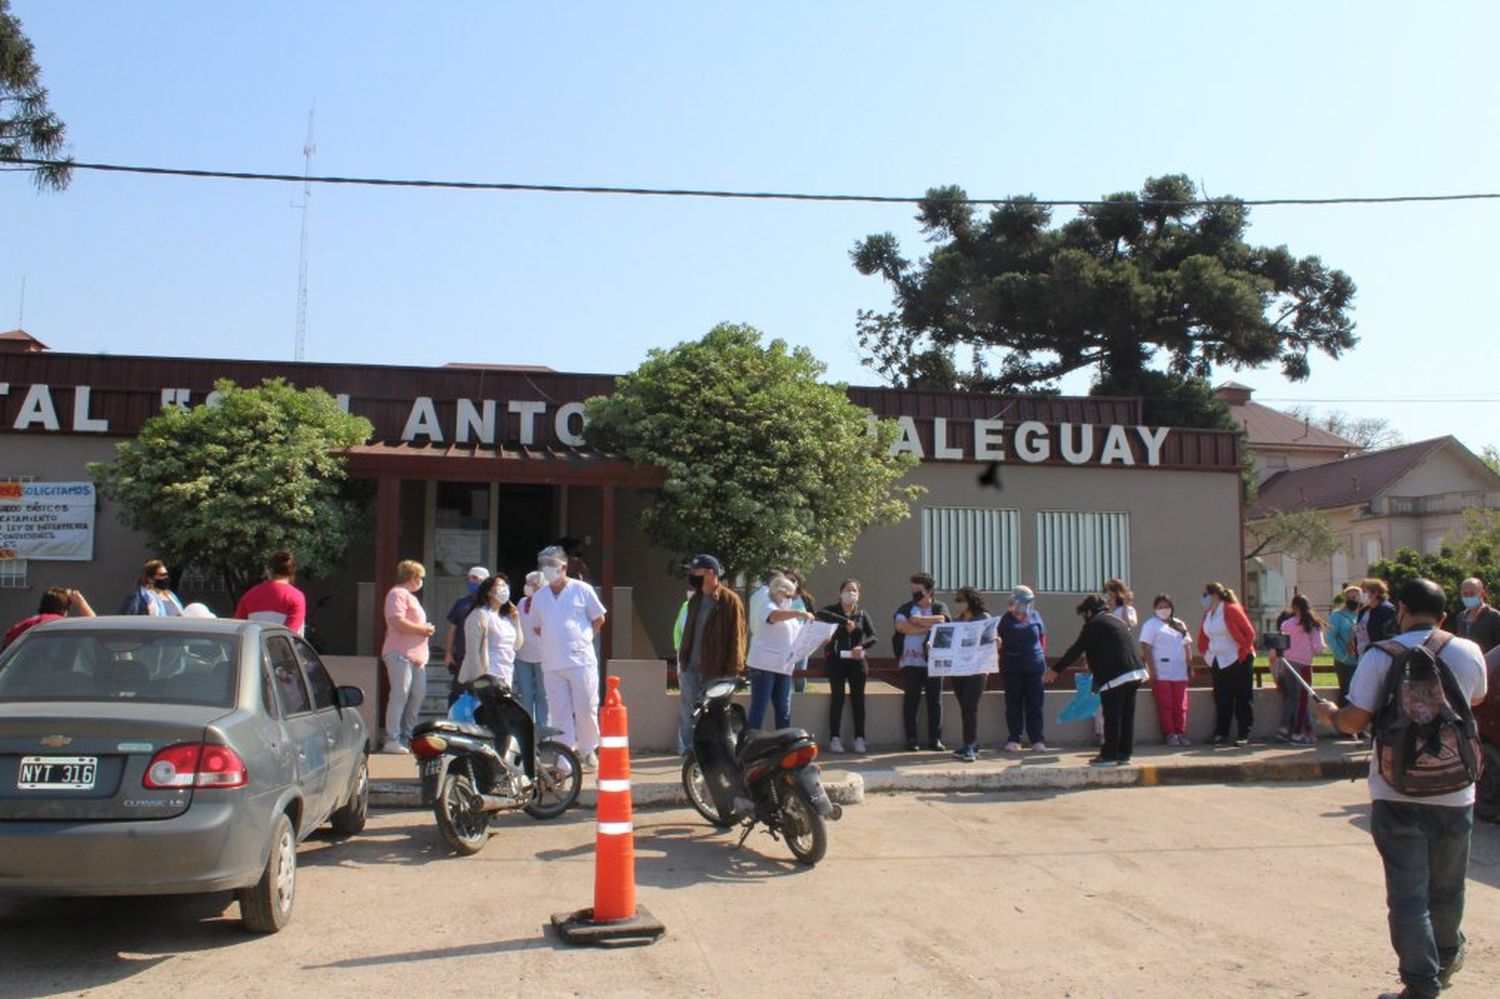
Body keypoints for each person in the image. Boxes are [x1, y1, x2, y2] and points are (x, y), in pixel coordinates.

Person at [1314, 578, 1487, 999]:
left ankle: (1421, 986)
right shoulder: (1467, 651)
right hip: (1456, 789)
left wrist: (1332, 716)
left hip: (1397, 789)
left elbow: (1356, 721)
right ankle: (1446, 958)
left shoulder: (1380, 656)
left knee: (1408, 896)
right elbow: (1477, 699)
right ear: (1444, 615)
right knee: (1448, 887)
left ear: (1402, 611)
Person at [1046, 594, 1148, 766]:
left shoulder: (1094, 625)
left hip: (1116, 674)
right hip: (1136, 672)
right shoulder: (1117, 621)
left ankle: (1109, 755)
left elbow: (1076, 650)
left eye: (1084, 614)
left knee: (1112, 715)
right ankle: (1124, 754)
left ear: (1088, 612)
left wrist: (1056, 669)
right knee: (1127, 715)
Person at [530, 545, 607, 770]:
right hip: (552, 662)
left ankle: (588, 749)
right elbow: (536, 627)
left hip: (580, 661)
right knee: (559, 711)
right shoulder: (540, 596)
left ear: (563, 567)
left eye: (551, 565)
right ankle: (565, 755)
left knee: (585, 708)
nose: (547, 570)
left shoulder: (582, 590)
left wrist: (582, 637)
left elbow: (599, 618)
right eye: (544, 566)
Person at [675, 553, 747, 755]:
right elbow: (687, 633)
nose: (691, 574)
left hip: (716, 671)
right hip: (691, 669)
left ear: (711, 573)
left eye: (695, 571)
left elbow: (737, 638)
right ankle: (692, 757)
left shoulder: (729, 601)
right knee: (689, 715)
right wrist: (682, 662)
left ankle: (716, 757)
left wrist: (733, 673)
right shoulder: (695, 600)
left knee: (715, 717)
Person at [380, 560, 435, 754]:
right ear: (412, 577)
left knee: (417, 694)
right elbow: (397, 621)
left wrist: (423, 629)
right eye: (420, 577)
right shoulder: (397, 594)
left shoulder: (410, 596)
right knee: (399, 695)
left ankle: (407, 736)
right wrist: (423, 629)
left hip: (416, 656)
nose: (421, 581)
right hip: (399, 654)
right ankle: (392, 739)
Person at [893, 572, 950, 751]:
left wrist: (918, 621)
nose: (915, 593)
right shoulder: (905, 607)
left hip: (934, 660)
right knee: (911, 700)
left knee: (935, 700)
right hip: (910, 661)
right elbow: (901, 626)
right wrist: (927, 627)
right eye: (913, 589)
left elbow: (943, 621)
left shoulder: (940, 606)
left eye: (919, 590)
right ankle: (912, 739)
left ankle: (935, 739)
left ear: (929, 590)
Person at [747, 574, 813, 730]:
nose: (789, 599)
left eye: (792, 596)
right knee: (759, 708)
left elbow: (799, 636)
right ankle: (750, 745)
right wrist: (800, 613)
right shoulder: (766, 602)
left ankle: (784, 746)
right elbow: (773, 617)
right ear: (778, 591)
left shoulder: (787, 612)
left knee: (784, 709)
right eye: (787, 595)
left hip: (784, 666)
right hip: (764, 666)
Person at [818, 579, 876, 754]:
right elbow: (820, 613)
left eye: (854, 591)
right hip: (836, 661)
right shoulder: (832, 611)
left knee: (858, 700)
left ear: (859, 595)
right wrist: (844, 621)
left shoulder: (862, 614)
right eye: (848, 590)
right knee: (838, 698)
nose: (851, 594)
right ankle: (834, 738)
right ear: (840, 592)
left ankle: (860, 738)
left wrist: (862, 647)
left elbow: (873, 636)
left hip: (857, 662)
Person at [1197, 581, 1257, 746]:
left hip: (1237, 658)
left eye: (1206, 595)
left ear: (1215, 595)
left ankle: (1244, 733)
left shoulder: (1231, 609)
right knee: (1221, 698)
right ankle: (1221, 733)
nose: (1204, 599)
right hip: (1218, 659)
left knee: (1242, 697)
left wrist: (1243, 652)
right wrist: (1205, 652)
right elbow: (1204, 635)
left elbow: (1250, 632)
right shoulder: (1208, 613)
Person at [997, 584, 1048, 752]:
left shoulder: (1036, 616)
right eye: (1023, 602)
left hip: (1034, 667)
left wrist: (1040, 658)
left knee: (1035, 704)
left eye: (1029, 602)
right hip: (1012, 668)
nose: (1025, 606)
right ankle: (1014, 738)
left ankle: (1037, 739)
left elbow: (1042, 639)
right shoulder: (1004, 620)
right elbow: (998, 642)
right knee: (1013, 704)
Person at [1139, 594, 1194, 745]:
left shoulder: (1178, 623)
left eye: (1166, 607)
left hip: (1179, 671)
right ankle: (1170, 733)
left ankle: (1180, 732)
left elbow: (1187, 644)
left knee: (1180, 704)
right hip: (1161, 672)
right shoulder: (1151, 625)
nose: (1163, 610)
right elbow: (1146, 648)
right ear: (1155, 609)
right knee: (1166, 704)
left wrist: (1190, 665)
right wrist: (1151, 669)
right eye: (1160, 607)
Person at [949, 586, 995, 763]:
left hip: (977, 670)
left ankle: (969, 745)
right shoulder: (955, 622)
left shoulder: (984, 618)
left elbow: (991, 639)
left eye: (960, 600)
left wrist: (996, 641)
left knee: (970, 706)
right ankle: (972, 742)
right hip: (958, 670)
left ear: (970, 602)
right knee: (965, 707)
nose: (957, 604)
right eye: (956, 600)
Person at [1277, 594, 1326, 745]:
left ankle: (1284, 728)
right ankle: (1298, 733)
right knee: (1303, 699)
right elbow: (1318, 648)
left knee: (1291, 697)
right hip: (1304, 664)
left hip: (1288, 664)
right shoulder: (1312, 625)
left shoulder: (1286, 625)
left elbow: (1282, 645)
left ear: (1294, 607)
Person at [460, 573, 521, 687]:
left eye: (505, 586)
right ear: (489, 591)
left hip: (506, 672)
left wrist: (517, 621)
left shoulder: (506, 618)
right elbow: (472, 650)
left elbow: (517, 645)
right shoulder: (480, 614)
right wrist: (478, 679)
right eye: (500, 586)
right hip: (488, 672)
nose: (504, 589)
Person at [442, 566, 488, 705]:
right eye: (468, 578)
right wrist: (449, 653)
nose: (470, 581)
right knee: (457, 694)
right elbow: (452, 629)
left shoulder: (491, 604)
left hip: (485, 659)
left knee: (482, 696)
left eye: (475, 578)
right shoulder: (461, 603)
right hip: (462, 657)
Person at [234, 551, 307, 636]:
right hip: (281, 648)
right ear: (292, 571)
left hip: (252, 647)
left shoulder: (249, 595)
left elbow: (238, 628)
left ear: (269, 571)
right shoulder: (297, 597)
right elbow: (290, 633)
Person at [3, 586, 95, 650]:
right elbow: (97, 629)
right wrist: (81, 604)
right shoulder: (62, 625)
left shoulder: (24, 625)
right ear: (65, 610)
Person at [513, 570, 549, 730]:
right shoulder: (521, 602)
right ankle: (527, 729)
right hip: (523, 654)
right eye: (527, 583)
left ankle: (542, 729)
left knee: (543, 694)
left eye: (532, 584)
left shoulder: (547, 602)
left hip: (543, 655)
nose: (527, 587)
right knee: (525, 694)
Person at [1328, 585, 1362, 715]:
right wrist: (1342, 656)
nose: (1354, 599)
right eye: (1351, 597)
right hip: (1345, 662)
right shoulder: (1337, 616)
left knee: (1360, 695)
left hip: (1360, 661)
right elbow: (1331, 638)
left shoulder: (1362, 614)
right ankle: (1345, 727)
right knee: (1346, 692)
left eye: (1356, 596)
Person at [1451, 577, 1500, 653]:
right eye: (1465, 594)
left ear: (1482, 593)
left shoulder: (1494, 616)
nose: (1468, 597)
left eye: (1472, 593)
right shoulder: (1460, 617)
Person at [786, 569, 815, 694]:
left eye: (793, 580)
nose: (790, 583)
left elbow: (814, 617)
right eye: (787, 580)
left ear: (798, 582)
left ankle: (800, 698)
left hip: (802, 642)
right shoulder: (780, 598)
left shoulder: (805, 598)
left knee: (800, 675)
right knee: (786, 676)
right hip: (785, 642)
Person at [1355, 577, 1398, 657]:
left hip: (1380, 655)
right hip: (1364, 655)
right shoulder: (1363, 610)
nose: (1361, 595)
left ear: (1375, 593)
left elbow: (1390, 635)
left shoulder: (1387, 610)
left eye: (1364, 592)